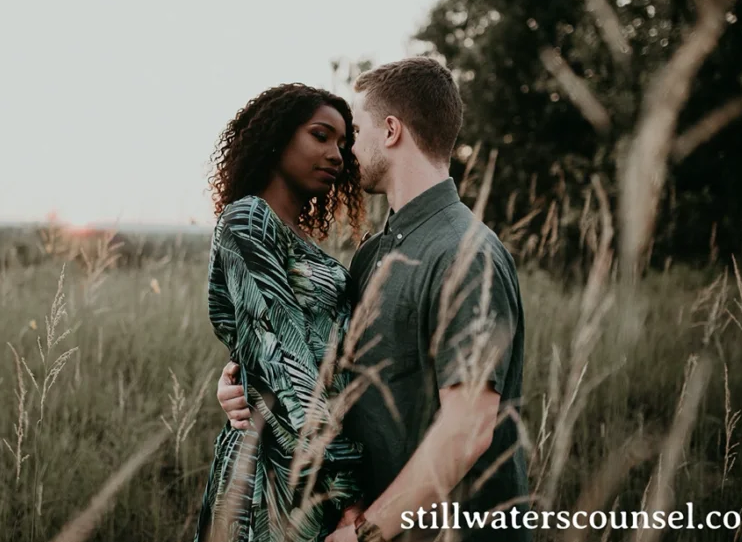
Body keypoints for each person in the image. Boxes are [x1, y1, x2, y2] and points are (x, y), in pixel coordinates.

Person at [216, 57, 530, 542]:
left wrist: (368, 531)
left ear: (389, 131)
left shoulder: (466, 253)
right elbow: (316, 370)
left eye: (354, 133)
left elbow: (468, 426)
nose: (345, 153)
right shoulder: (371, 255)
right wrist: (247, 385)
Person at [192, 83, 371, 542]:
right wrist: (346, 494)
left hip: (314, 465)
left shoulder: (298, 239)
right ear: (277, 137)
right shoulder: (247, 221)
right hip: (275, 476)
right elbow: (284, 367)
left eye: (344, 143)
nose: (336, 154)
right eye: (320, 135)